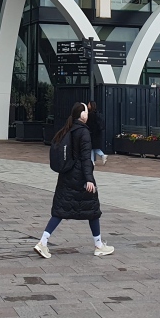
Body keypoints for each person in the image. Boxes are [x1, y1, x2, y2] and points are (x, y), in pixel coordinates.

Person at [34, 102, 114, 259]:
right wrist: (89, 179)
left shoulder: (68, 129)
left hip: (66, 176)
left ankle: (43, 242)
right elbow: (85, 158)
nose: (87, 114)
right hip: (80, 178)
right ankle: (98, 246)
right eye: (85, 112)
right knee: (93, 210)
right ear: (81, 115)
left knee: (60, 210)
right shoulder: (83, 132)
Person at [86, 101, 107, 165]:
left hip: (92, 133)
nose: (87, 105)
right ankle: (101, 156)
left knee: (91, 148)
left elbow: (89, 125)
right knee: (94, 148)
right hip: (98, 133)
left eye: (89, 104)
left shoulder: (90, 115)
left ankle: (93, 161)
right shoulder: (97, 113)